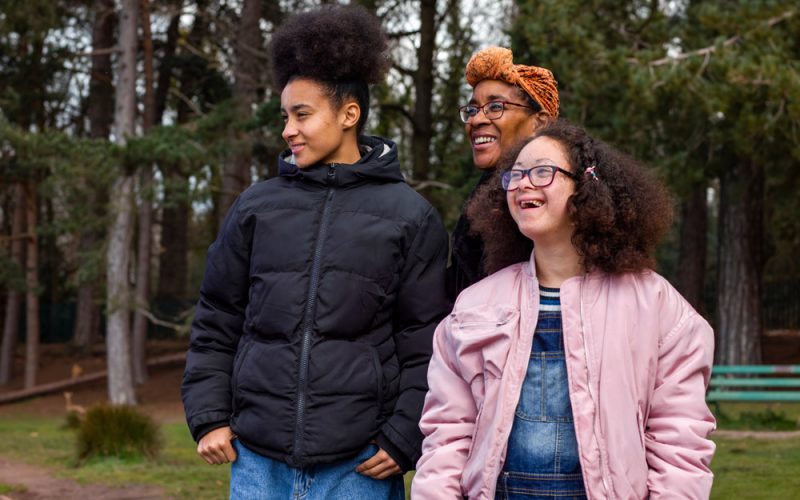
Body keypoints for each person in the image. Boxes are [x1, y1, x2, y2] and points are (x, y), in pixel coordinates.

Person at [181, 5, 450, 499]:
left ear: (349, 114)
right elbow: (217, 319)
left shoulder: (411, 217)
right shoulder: (255, 208)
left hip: (359, 467)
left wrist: (404, 435)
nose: (288, 129)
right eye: (285, 115)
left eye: (302, 114)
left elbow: (427, 341)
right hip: (257, 461)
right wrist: (210, 416)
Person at [412, 121, 716, 499]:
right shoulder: (474, 306)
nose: (523, 183)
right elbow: (447, 435)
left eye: (542, 172)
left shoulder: (657, 308)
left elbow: (678, 444)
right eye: (515, 175)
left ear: (587, 187)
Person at [448, 46, 559, 300]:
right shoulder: (483, 200)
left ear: (539, 123)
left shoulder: (560, 203)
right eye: (473, 109)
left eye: (495, 106)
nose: (476, 120)